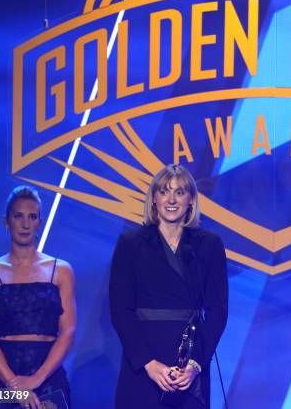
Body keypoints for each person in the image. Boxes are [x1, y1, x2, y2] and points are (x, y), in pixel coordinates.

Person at [110, 164, 228, 408]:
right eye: (164, 192)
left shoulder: (209, 244)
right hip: (143, 361)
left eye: (180, 192)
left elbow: (218, 311)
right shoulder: (131, 243)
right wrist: (149, 363)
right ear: (154, 198)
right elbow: (120, 309)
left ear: (191, 201)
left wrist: (195, 365)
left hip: (189, 361)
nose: (171, 199)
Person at [0, 186, 76, 409]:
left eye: (32, 217)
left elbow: (68, 331)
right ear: (6, 221)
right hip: (1, 380)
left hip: (48, 378)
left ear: (39, 222)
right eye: (18, 216)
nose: (25, 224)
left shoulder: (61, 270)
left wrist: (37, 379)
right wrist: (14, 384)